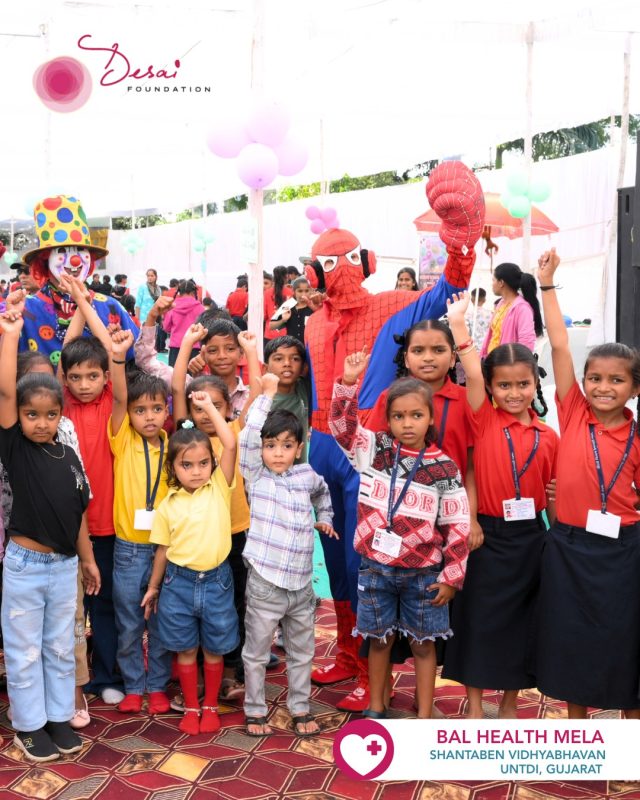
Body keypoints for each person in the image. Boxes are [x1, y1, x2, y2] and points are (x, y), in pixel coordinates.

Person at [304, 161, 485, 711]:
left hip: (371, 447)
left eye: (345, 259)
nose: (337, 270)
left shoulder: (393, 305)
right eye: (325, 263)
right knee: (335, 556)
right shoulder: (311, 321)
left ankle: (367, 663)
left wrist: (459, 245)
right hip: (321, 444)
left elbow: (446, 293)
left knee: (366, 560)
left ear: (367, 261)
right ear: (311, 272)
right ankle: (344, 648)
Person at [329, 353, 470, 719]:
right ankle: (377, 707)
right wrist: (347, 383)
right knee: (379, 641)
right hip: (375, 568)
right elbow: (342, 428)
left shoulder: (444, 468)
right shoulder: (375, 450)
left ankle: (424, 714)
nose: (407, 423)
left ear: (430, 418)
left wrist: (451, 577)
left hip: (423, 573)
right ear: (388, 419)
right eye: (398, 416)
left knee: (424, 646)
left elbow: (457, 525)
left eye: (416, 415)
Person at [535, 248, 640, 719]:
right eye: (594, 378)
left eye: (616, 380)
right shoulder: (574, 412)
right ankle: (580, 734)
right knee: (572, 642)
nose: (603, 387)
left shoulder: (637, 436)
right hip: (570, 546)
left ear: (634, 389)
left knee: (625, 644)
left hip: (623, 551)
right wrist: (547, 286)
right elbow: (560, 345)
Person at [442, 291, 558, 719]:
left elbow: (554, 498)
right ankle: (474, 707)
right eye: (504, 385)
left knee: (522, 626)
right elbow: (471, 370)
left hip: (530, 540)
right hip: (485, 536)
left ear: (535, 384)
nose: (514, 392)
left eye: (523, 384)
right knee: (478, 622)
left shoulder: (549, 437)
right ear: (490, 388)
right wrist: (459, 325)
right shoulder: (483, 416)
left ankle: (509, 705)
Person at [0, 304, 100, 763]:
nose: (41, 422)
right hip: (25, 566)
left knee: (61, 646)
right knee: (23, 652)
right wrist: (10, 333)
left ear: (61, 414)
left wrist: (87, 559)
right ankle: (29, 725)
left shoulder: (70, 456)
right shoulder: (15, 448)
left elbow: (77, 514)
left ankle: (59, 716)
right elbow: (5, 391)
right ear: (19, 416)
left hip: (63, 569)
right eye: (31, 414)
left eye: (50, 414)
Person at [239, 373, 336, 737]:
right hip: (266, 582)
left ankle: (300, 708)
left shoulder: (307, 474)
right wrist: (267, 394)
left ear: (299, 447)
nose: (277, 452)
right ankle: (255, 710)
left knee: (303, 652)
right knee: (257, 653)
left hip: (301, 586)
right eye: (271, 445)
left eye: (285, 445)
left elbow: (324, 494)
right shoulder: (256, 476)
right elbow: (247, 437)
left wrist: (324, 519)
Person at [141, 396, 238, 735]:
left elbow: (229, 441)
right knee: (185, 649)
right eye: (187, 465)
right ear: (173, 468)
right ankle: (191, 705)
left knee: (214, 649)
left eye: (202, 463)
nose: (197, 471)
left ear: (212, 464)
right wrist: (153, 587)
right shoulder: (168, 505)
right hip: (177, 585)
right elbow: (163, 551)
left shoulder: (219, 489)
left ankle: (210, 706)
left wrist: (209, 408)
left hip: (217, 582)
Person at [171, 326, 258, 700]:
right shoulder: (186, 439)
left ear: (227, 409)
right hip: (193, 539)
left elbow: (255, 395)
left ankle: (231, 674)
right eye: (199, 408)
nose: (206, 414)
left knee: (235, 603)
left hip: (235, 532)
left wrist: (251, 352)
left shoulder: (233, 432)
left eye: (216, 407)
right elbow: (176, 388)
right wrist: (186, 345)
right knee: (193, 610)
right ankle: (196, 678)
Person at [59, 275, 126, 710]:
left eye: (93, 375)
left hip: (105, 525)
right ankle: (71, 680)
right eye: (75, 377)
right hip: (65, 527)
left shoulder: (112, 404)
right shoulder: (59, 404)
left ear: (105, 377)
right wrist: (79, 306)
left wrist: (85, 301)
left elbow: (112, 356)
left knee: (104, 605)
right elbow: (68, 352)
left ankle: (107, 674)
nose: (84, 383)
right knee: (68, 610)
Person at [109, 332, 173, 715]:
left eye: (156, 408)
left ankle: (159, 685)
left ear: (166, 411)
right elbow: (118, 396)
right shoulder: (123, 439)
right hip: (129, 549)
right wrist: (119, 359)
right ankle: (134, 685)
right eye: (140, 409)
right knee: (130, 622)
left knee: (162, 622)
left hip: (166, 550)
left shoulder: (173, 444)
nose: (148, 416)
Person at [14, 195, 138, 361]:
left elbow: (138, 356)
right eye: (62, 251)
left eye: (80, 249)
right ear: (45, 258)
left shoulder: (110, 306)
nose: (74, 260)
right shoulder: (23, 309)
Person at [135, 305, 251, 419]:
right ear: (203, 353)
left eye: (230, 349)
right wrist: (151, 317)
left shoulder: (250, 396)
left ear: (241, 353)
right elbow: (146, 362)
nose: (222, 356)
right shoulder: (191, 387)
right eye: (213, 350)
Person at [480, 263, 543, 358]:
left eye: (493, 280)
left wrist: (512, 367)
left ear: (501, 283)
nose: (491, 284)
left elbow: (526, 343)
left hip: (506, 367)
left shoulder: (522, 308)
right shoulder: (500, 303)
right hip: (491, 362)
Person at [162, 279, 205, 366]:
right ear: (193, 292)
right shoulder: (200, 307)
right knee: (194, 377)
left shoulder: (173, 306)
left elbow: (166, 327)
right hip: (194, 346)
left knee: (174, 375)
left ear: (179, 292)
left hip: (176, 346)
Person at [269, 276, 313, 344]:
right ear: (294, 291)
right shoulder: (288, 305)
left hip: (310, 347)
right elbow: (271, 326)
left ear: (310, 291)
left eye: (306, 291)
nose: (303, 294)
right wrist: (283, 320)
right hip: (292, 347)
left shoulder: (314, 306)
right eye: (300, 291)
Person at [264, 266, 293, 344]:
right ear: (286, 277)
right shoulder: (291, 293)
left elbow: (264, 315)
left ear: (274, 278)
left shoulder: (266, 293)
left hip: (270, 333)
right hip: (286, 332)